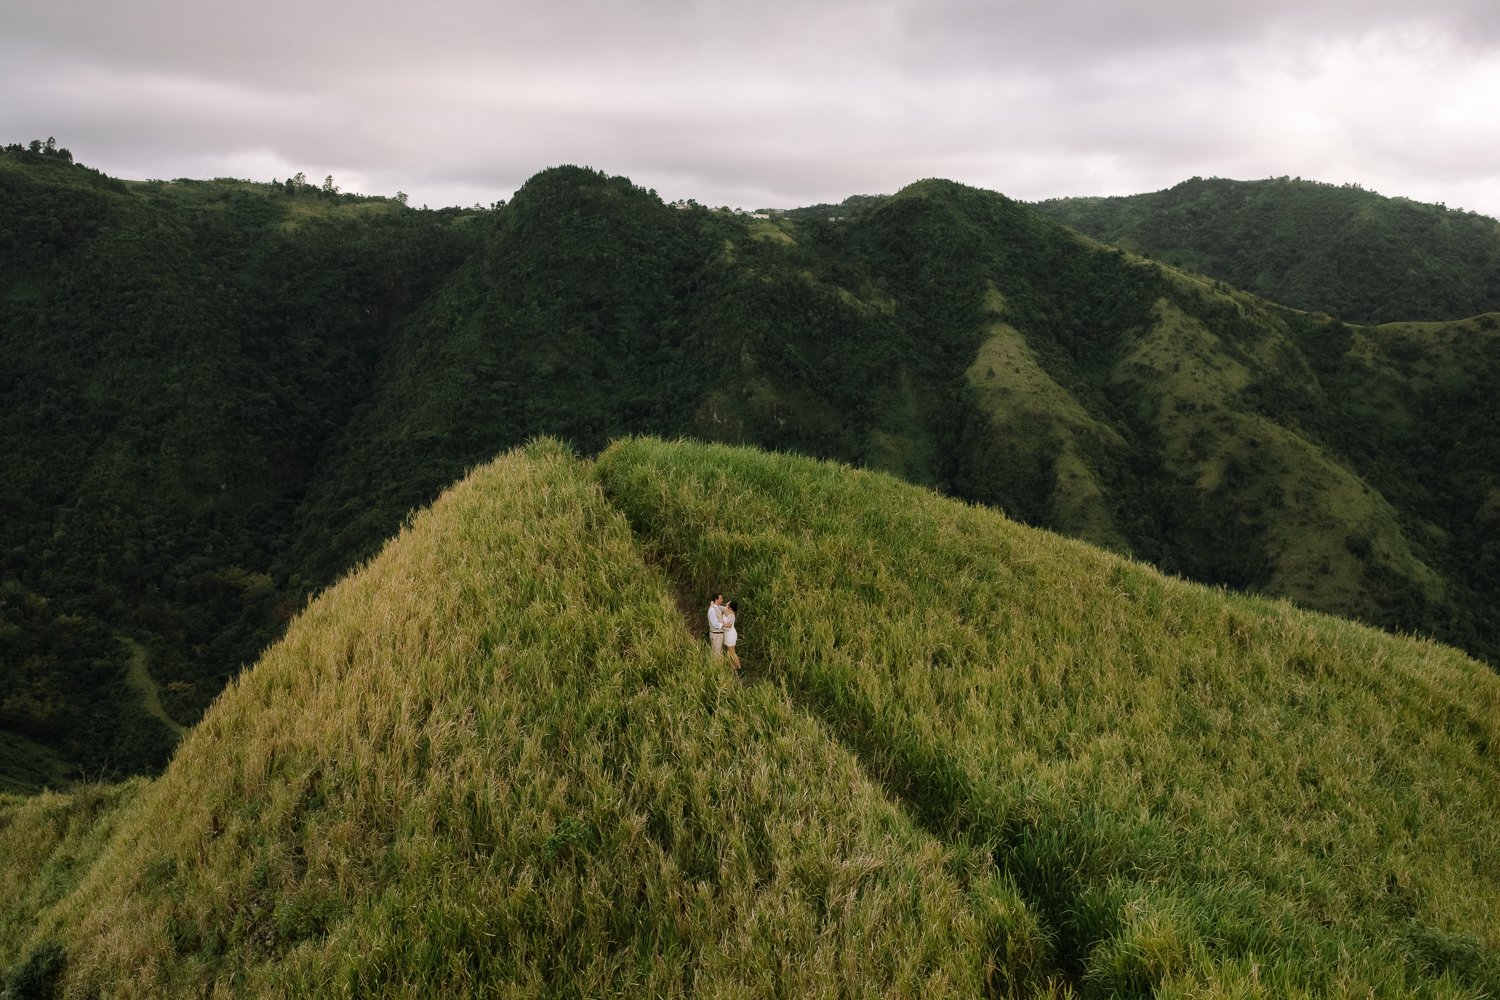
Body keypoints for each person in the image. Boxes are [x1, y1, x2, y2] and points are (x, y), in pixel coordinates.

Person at [723, 600, 741, 672]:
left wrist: (720, 625)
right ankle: (733, 667)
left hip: (730, 634)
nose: (726, 603)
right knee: (729, 652)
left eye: (728, 603)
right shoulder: (727, 610)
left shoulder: (731, 615)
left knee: (732, 652)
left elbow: (728, 627)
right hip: (727, 634)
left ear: (730, 607)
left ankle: (739, 668)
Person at [707, 593, 725, 657]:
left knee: (719, 653)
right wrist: (724, 625)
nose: (722, 600)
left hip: (719, 634)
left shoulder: (717, 607)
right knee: (716, 654)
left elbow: (724, 608)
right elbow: (714, 624)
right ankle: (716, 666)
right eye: (720, 598)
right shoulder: (712, 610)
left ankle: (718, 666)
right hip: (716, 635)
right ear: (716, 600)